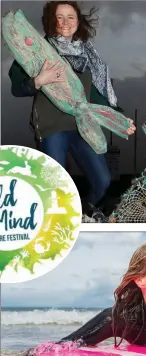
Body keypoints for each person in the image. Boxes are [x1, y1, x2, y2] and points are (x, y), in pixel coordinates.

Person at [8, 1, 135, 215]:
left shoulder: (88, 56)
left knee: (102, 181)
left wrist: (119, 119)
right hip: (52, 128)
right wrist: (38, 80)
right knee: (56, 184)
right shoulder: (36, 50)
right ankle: (56, 220)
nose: (65, 22)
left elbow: (96, 95)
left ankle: (84, 212)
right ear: (51, 20)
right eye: (59, 17)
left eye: (71, 17)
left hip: (83, 127)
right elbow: (17, 88)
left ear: (78, 21)